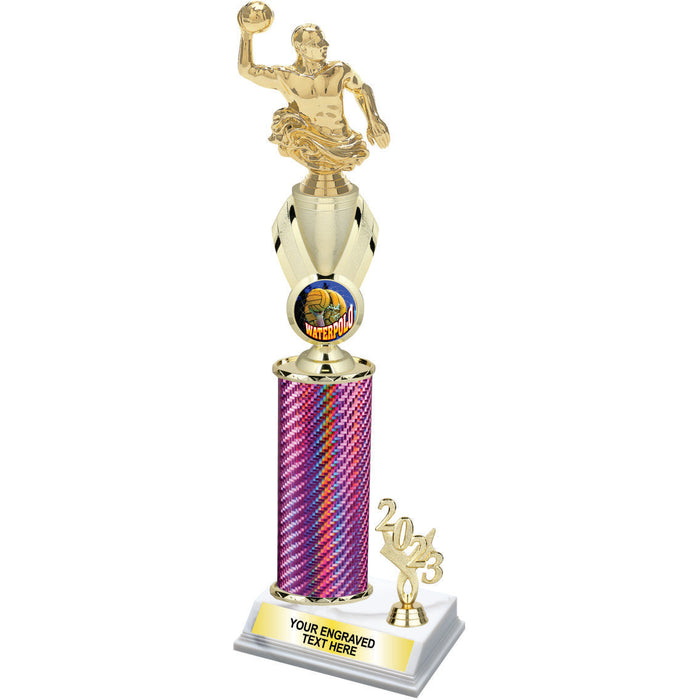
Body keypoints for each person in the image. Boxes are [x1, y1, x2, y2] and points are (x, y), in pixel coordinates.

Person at [238, 22, 390, 175]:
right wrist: (246, 34)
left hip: (344, 143)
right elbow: (246, 70)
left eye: (324, 40)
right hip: (306, 144)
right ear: (300, 48)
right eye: (317, 43)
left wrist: (374, 119)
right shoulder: (286, 77)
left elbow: (362, 89)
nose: (325, 45)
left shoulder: (339, 70)